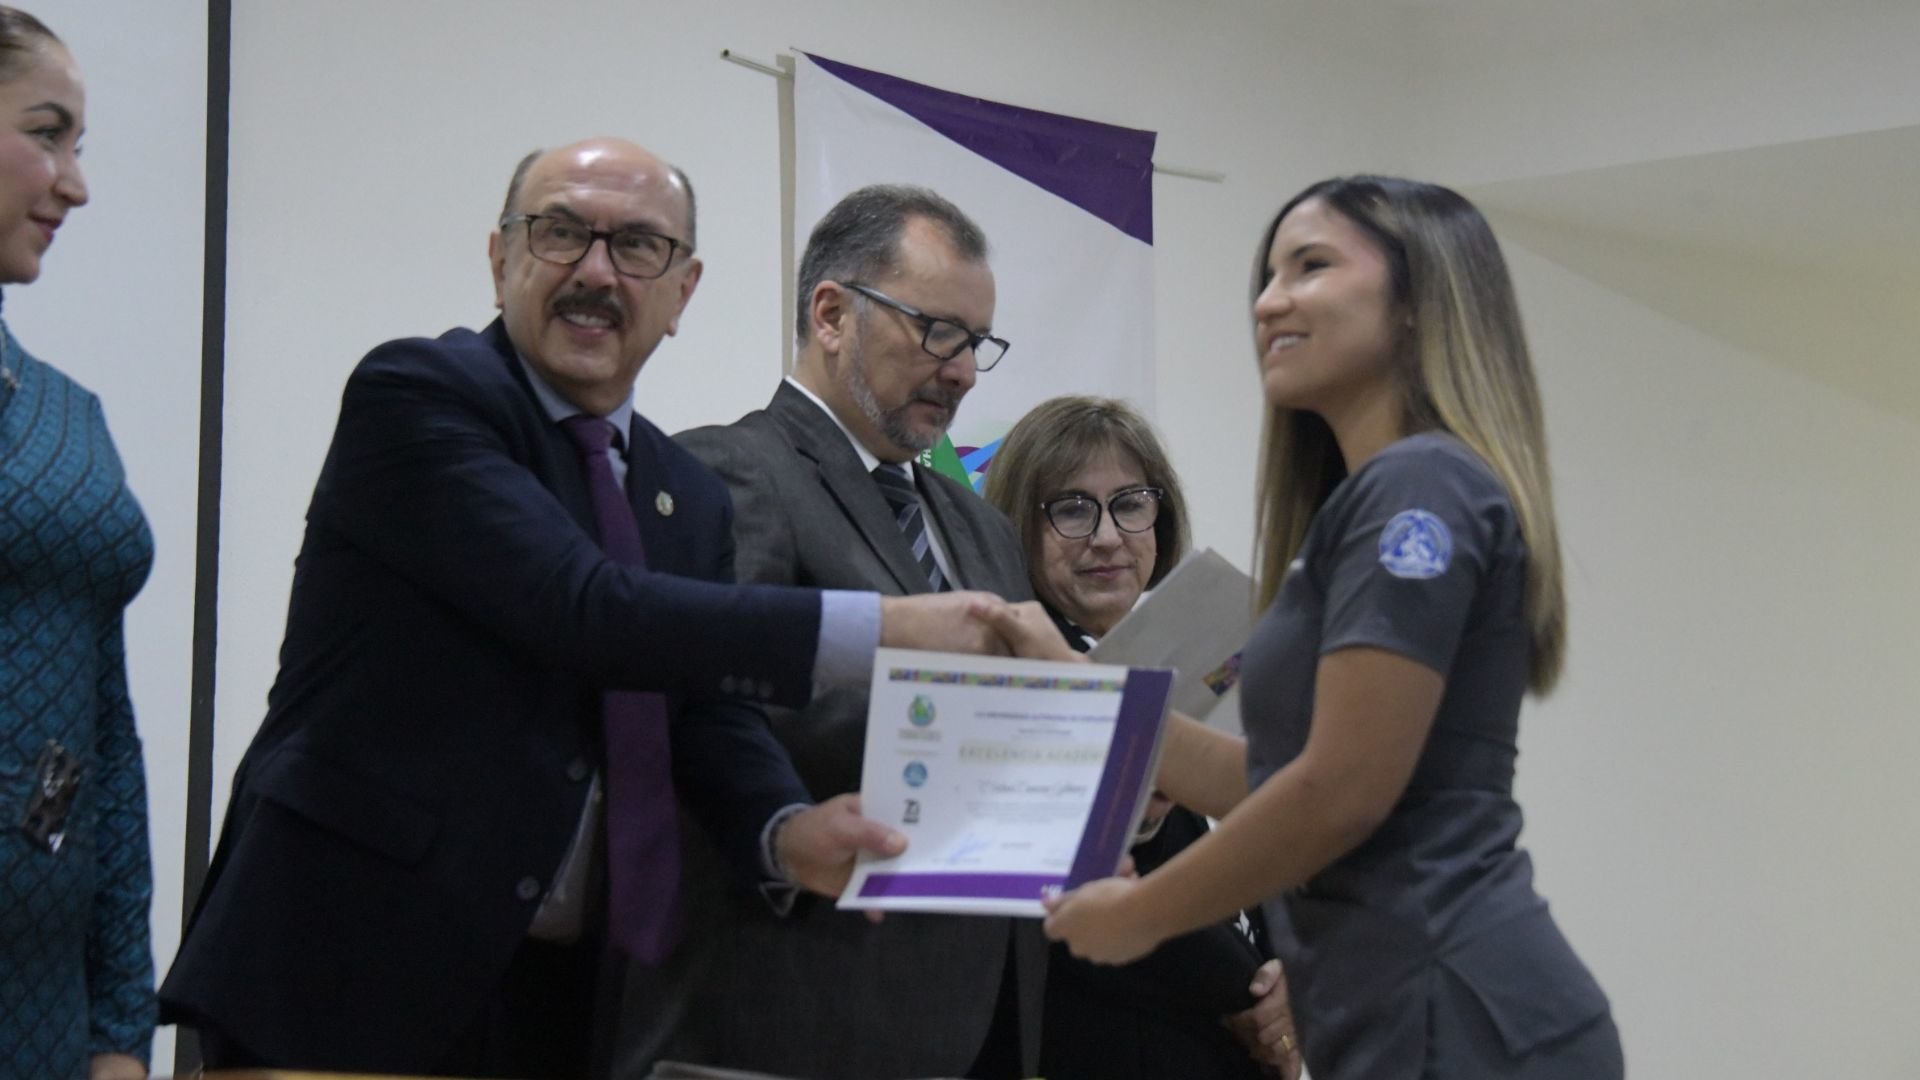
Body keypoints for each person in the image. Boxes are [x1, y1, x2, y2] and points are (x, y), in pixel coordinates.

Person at [157, 140, 1008, 1080]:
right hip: (346, 967)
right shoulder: (419, 395)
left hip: (560, 995)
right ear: (500, 259)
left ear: (682, 293)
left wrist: (782, 829)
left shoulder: (685, 492)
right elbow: (588, 610)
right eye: (561, 232)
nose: (597, 272)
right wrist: (891, 628)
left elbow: (705, 709)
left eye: (639, 246)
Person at [990, 177, 1624, 1079]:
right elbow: (1271, 779)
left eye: (1311, 266)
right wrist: (1072, 684)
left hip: (1456, 1003)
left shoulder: (1419, 488)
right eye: (1268, 276)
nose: (1269, 300)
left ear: (1418, 300)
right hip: (1389, 1006)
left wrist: (1139, 916)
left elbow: (1340, 793)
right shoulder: (1366, 501)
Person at [631, 185, 1040, 1080]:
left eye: (977, 343)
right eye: (940, 332)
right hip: (786, 1008)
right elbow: (706, 708)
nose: (964, 372)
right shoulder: (728, 470)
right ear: (831, 314)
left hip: (970, 1022)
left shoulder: (984, 530)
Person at [983, 394, 1299, 1080]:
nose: (1106, 537)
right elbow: (1090, 882)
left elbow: (1269, 833)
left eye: (1130, 503)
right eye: (1072, 509)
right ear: (1016, 526)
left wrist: (1292, 980)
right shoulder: (1012, 677)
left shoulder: (1198, 650)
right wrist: (1250, 994)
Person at [0, 9, 155, 1080]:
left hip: (45, 1009)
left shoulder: (68, 414)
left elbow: (107, 748)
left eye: (79, 145)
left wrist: (119, 1027)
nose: (76, 183)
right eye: (45, 134)